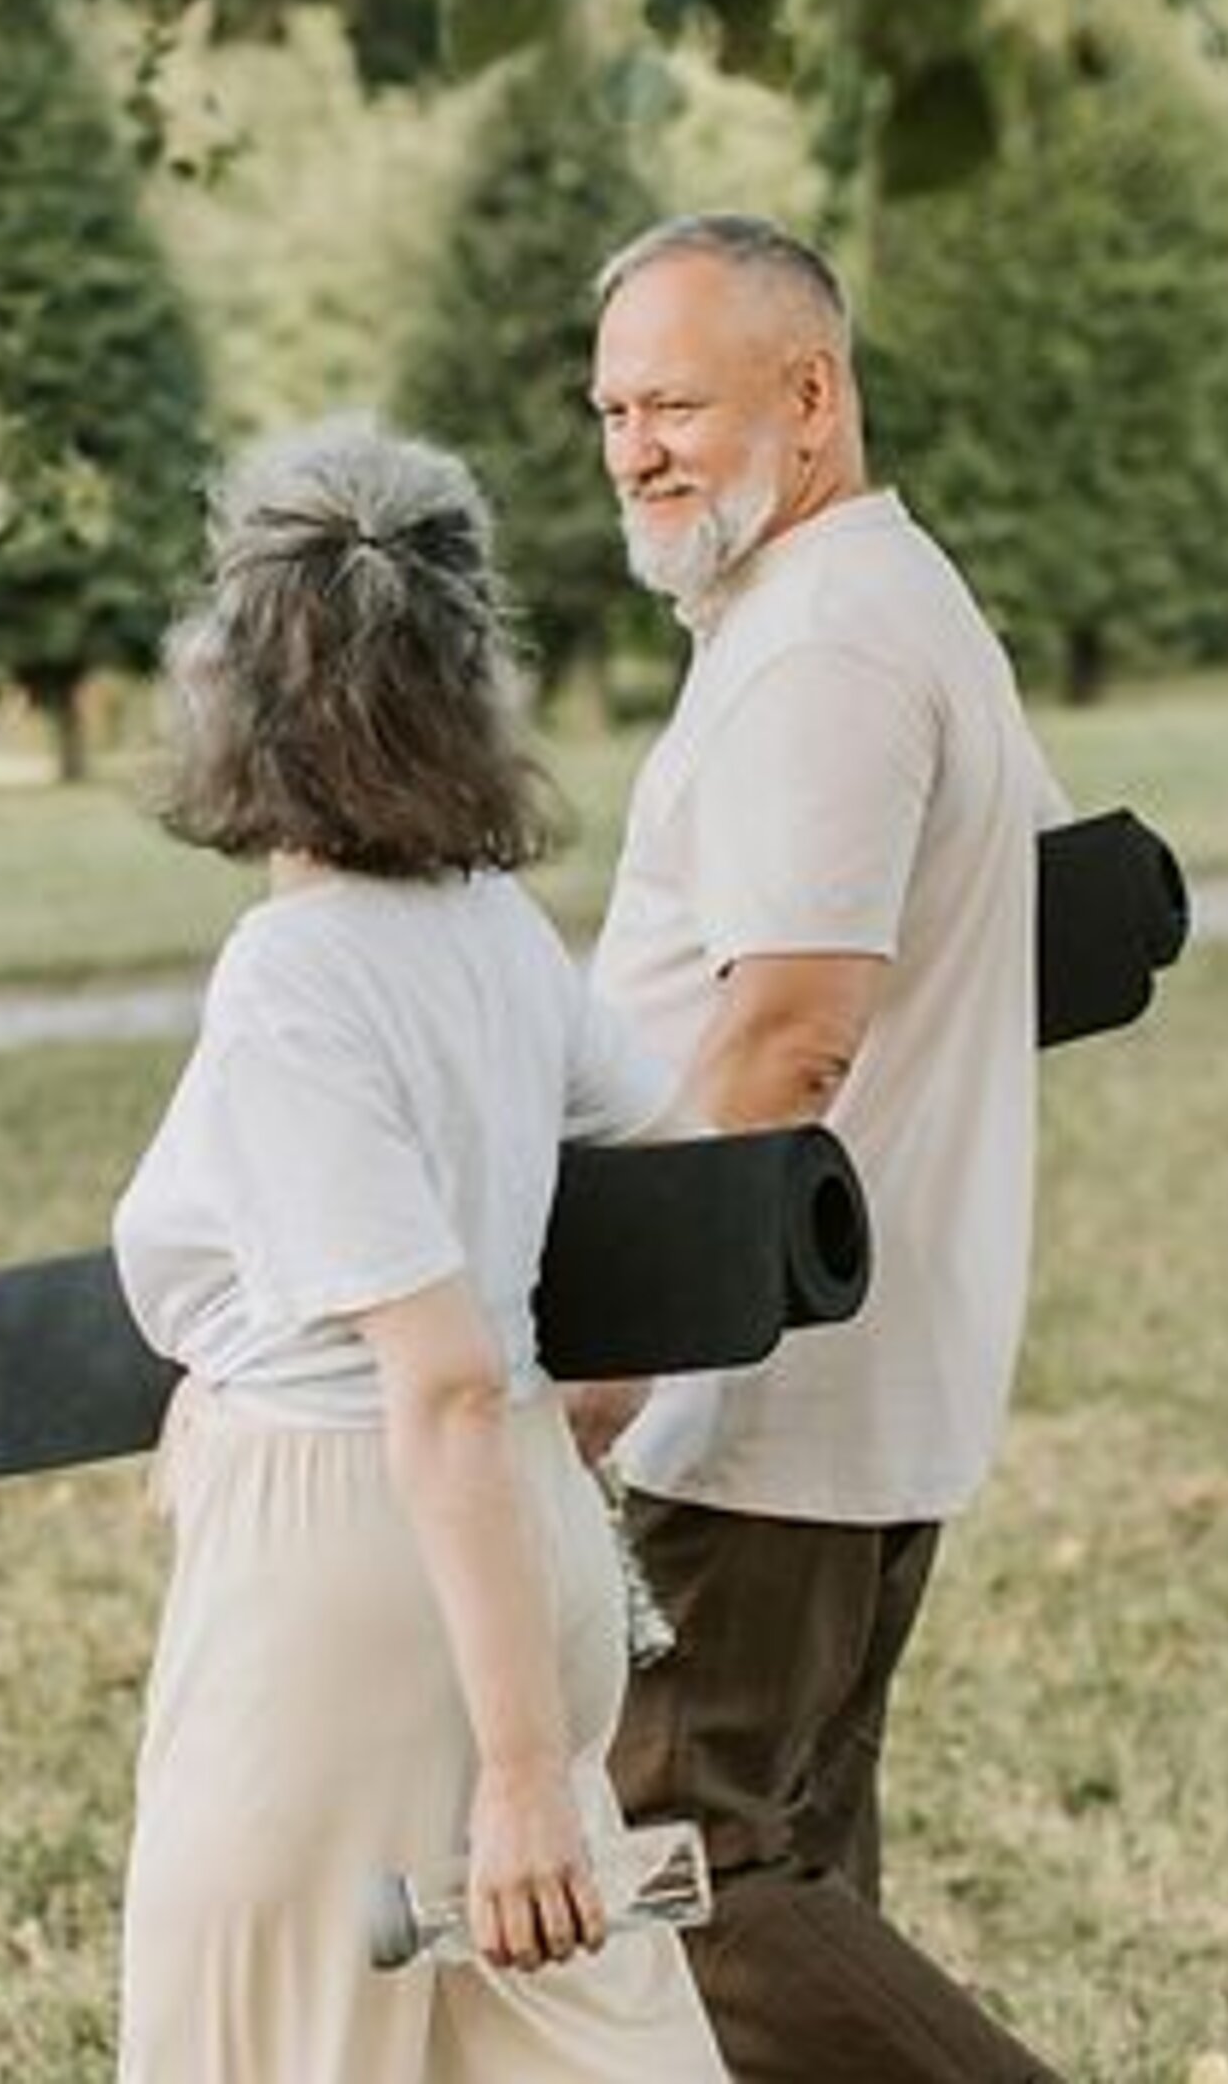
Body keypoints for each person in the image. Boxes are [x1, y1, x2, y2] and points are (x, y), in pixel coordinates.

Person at [109, 415, 727, 2084]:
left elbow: (437, 1375)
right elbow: (670, 1172)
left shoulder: (294, 982)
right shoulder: (490, 934)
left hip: (347, 1579)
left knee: (265, 2046)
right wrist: (588, 1405)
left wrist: (521, 1771)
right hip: (518, 1537)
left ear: (231, 683)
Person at [575, 213, 1071, 2082]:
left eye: (678, 401)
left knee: (674, 1868)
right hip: (839, 1359)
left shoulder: (824, 649)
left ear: (810, 392)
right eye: (614, 407)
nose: (636, 448)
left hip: (765, 1379)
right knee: (790, 1869)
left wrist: (623, 1348)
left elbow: (790, 1027)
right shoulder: (869, 601)